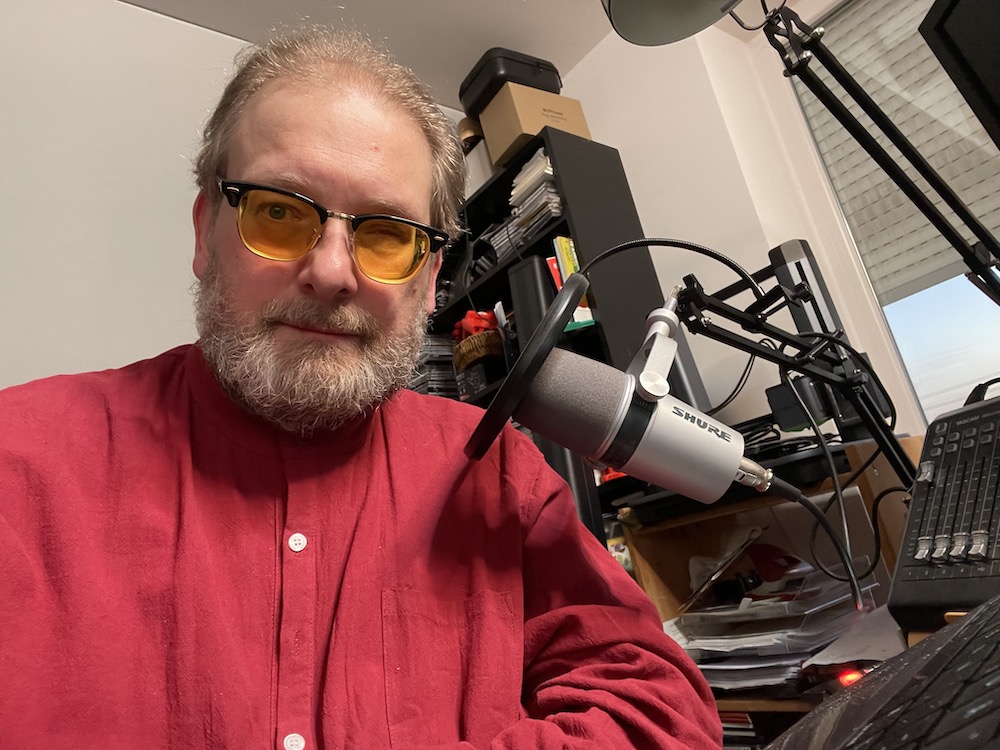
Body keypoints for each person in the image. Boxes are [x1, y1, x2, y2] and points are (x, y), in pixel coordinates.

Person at [0, 26, 722, 749]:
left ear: (430, 278)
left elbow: (659, 711)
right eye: (278, 212)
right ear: (203, 233)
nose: (332, 273)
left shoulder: (497, 472)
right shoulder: (20, 455)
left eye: (386, 234)